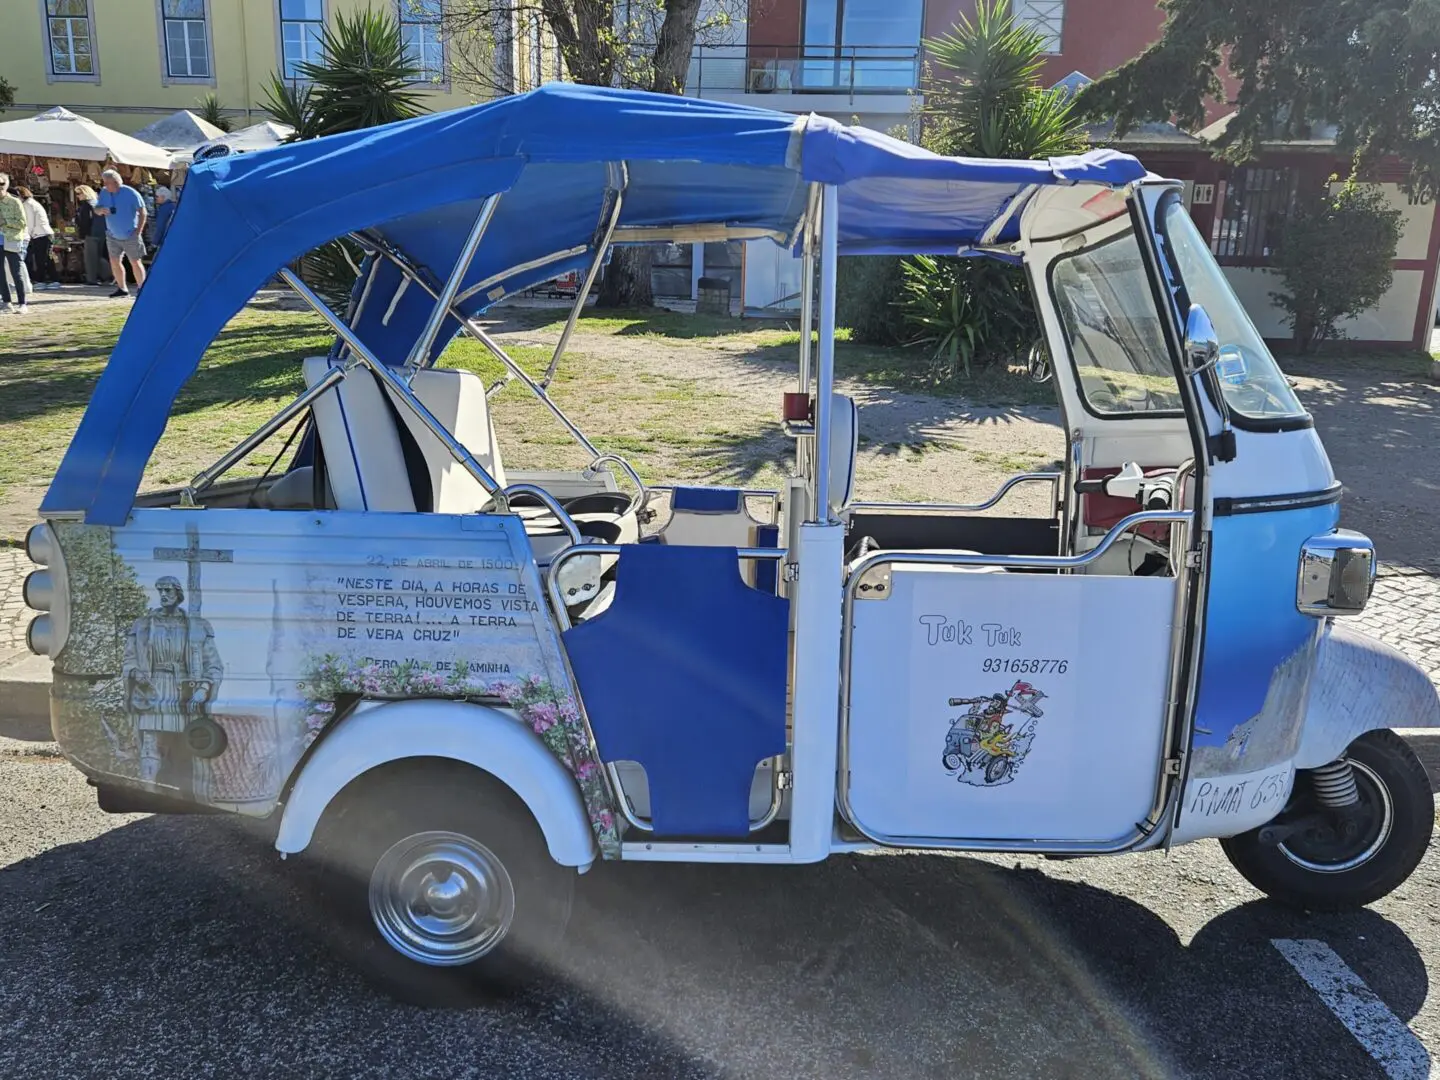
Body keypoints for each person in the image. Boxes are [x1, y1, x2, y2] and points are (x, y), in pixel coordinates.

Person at [122, 575, 224, 795]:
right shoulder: (142, 626)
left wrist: (202, 690)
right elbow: (129, 659)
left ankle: (187, 796)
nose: (164, 595)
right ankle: (148, 793)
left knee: (187, 748)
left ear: (179, 594)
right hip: (152, 690)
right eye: (161, 591)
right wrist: (136, 673)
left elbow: (213, 665)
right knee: (150, 746)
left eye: (168, 590)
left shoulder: (197, 627)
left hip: (184, 694)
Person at [95, 168, 147, 298]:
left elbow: (143, 212)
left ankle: (142, 288)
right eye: (104, 183)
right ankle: (122, 289)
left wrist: (138, 231)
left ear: (117, 182)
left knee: (135, 261)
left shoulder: (131, 193)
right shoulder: (104, 193)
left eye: (108, 183)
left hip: (130, 234)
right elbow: (96, 209)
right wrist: (100, 210)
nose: (105, 186)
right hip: (112, 234)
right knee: (114, 261)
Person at [15, 187, 58, 290]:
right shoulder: (33, 203)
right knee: (46, 258)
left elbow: (29, 222)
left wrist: (25, 236)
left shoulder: (27, 205)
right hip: (43, 233)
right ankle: (52, 279)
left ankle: (42, 280)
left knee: (41, 258)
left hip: (40, 234)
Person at [73, 184, 113, 286]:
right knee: (98, 256)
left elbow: (85, 222)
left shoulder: (87, 205)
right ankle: (109, 275)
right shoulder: (96, 203)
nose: (77, 196)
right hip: (101, 232)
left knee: (90, 258)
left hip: (91, 233)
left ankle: (93, 279)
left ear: (84, 193)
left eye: (79, 193)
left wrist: (82, 235)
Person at [0, 173, 28, 315]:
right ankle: (7, 302)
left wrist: (6, 222)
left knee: (16, 272)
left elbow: (22, 223)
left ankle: (22, 303)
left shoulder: (14, 202)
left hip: (11, 239)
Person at [151, 185, 176, 252]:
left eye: (157, 196)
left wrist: (154, 243)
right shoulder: (173, 206)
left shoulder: (164, 209)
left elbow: (160, 227)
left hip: (165, 240)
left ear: (163, 197)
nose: (156, 198)